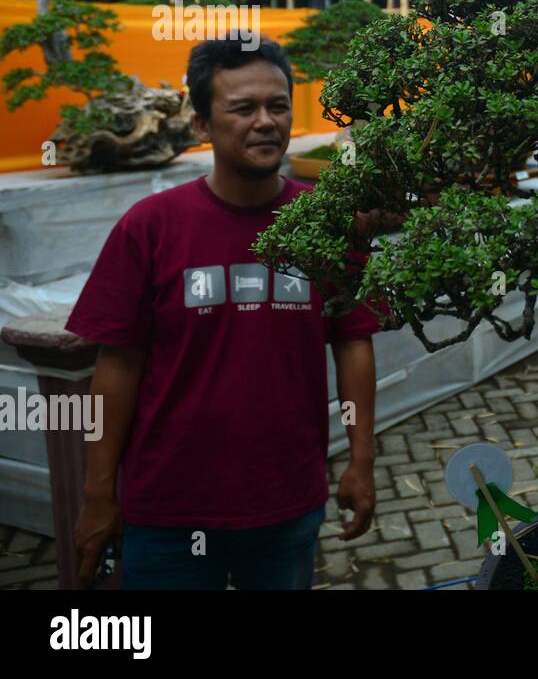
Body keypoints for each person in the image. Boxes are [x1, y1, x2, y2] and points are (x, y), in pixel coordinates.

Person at [68, 36, 381, 589]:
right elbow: (116, 367)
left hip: (286, 502)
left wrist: (361, 458)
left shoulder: (328, 224)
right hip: (167, 510)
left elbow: (353, 341)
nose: (265, 122)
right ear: (202, 126)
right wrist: (98, 495)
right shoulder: (151, 227)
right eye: (242, 108)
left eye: (278, 105)